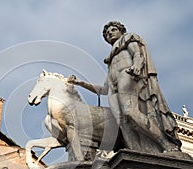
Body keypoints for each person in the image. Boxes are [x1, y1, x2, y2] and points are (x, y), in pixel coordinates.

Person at [68, 21, 181, 152]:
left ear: (121, 31)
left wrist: (137, 66)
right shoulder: (111, 60)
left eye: (113, 30)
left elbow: (138, 54)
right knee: (122, 122)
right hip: (113, 87)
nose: (110, 33)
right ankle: (137, 152)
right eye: (107, 33)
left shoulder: (128, 39)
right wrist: (80, 83)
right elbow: (103, 90)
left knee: (130, 112)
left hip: (127, 75)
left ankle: (166, 144)